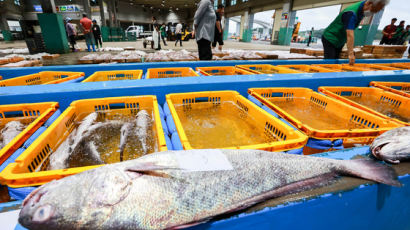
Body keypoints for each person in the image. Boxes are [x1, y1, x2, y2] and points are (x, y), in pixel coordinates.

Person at [322, 0, 389, 65]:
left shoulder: (362, 10)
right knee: (329, 61)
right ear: (369, 3)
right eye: (373, 10)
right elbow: (350, 34)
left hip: (340, 40)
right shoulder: (351, 13)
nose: (372, 13)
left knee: (335, 61)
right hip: (330, 37)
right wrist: (350, 54)